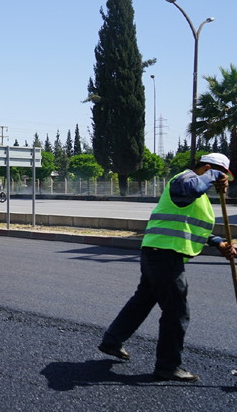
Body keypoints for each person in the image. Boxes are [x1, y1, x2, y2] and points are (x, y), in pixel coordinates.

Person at [98, 153, 237, 382]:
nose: (221, 182)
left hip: (157, 252)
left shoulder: (199, 195)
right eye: (221, 175)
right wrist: (214, 174)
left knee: (143, 300)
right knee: (176, 311)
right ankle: (167, 366)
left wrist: (218, 243)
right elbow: (187, 191)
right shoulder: (185, 179)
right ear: (209, 168)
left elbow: (191, 226)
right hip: (164, 255)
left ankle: (112, 340)